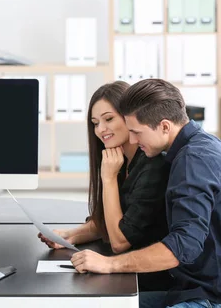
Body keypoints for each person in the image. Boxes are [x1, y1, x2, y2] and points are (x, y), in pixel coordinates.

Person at [69, 79, 221, 308]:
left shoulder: (193, 161)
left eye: (137, 133)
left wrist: (110, 264)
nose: (132, 140)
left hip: (213, 299)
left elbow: (183, 246)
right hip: (191, 290)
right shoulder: (199, 145)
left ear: (165, 126)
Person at [38, 81, 172, 291]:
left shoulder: (152, 165)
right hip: (124, 273)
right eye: (95, 122)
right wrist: (69, 236)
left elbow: (120, 241)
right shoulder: (118, 159)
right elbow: (107, 222)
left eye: (108, 119)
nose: (100, 130)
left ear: (129, 118)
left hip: (148, 280)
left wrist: (108, 179)